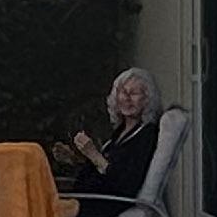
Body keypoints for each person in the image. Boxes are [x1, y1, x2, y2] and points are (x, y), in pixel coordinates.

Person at [63, 69, 160, 204]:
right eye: (122, 92)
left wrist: (94, 154)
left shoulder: (146, 136)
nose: (126, 98)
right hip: (83, 199)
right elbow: (103, 170)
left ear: (147, 99)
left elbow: (125, 185)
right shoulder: (120, 132)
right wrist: (74, 160)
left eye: (134, 93)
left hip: (103, 205)